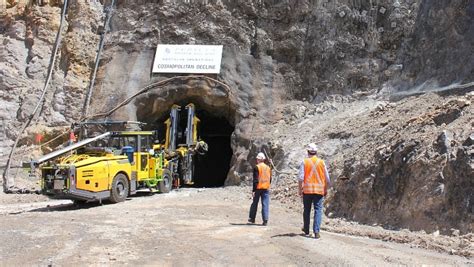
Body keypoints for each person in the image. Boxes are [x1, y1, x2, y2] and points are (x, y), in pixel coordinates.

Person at [298, 143, 331, 238]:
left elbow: (300, 178)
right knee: (318, 210)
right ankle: (316, 232)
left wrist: (300, 190)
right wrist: (325, 190)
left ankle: (306, 230)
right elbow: (327, 179)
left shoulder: (304, 162)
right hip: (319, 191)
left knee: (307, 210)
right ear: (316, 152)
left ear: (308, 152)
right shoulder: (322, 162)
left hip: (307, 191)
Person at [248, 152, 272, 226]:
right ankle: (265, 220)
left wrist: (254, 190)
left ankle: (252, 218)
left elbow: (255, 180)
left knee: (254, 203)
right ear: (264, 160)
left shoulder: (257, 167)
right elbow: (270, 178)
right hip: (266, 188)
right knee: (265, 204)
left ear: (258, 159)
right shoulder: (268, 168)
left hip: (258, 188)